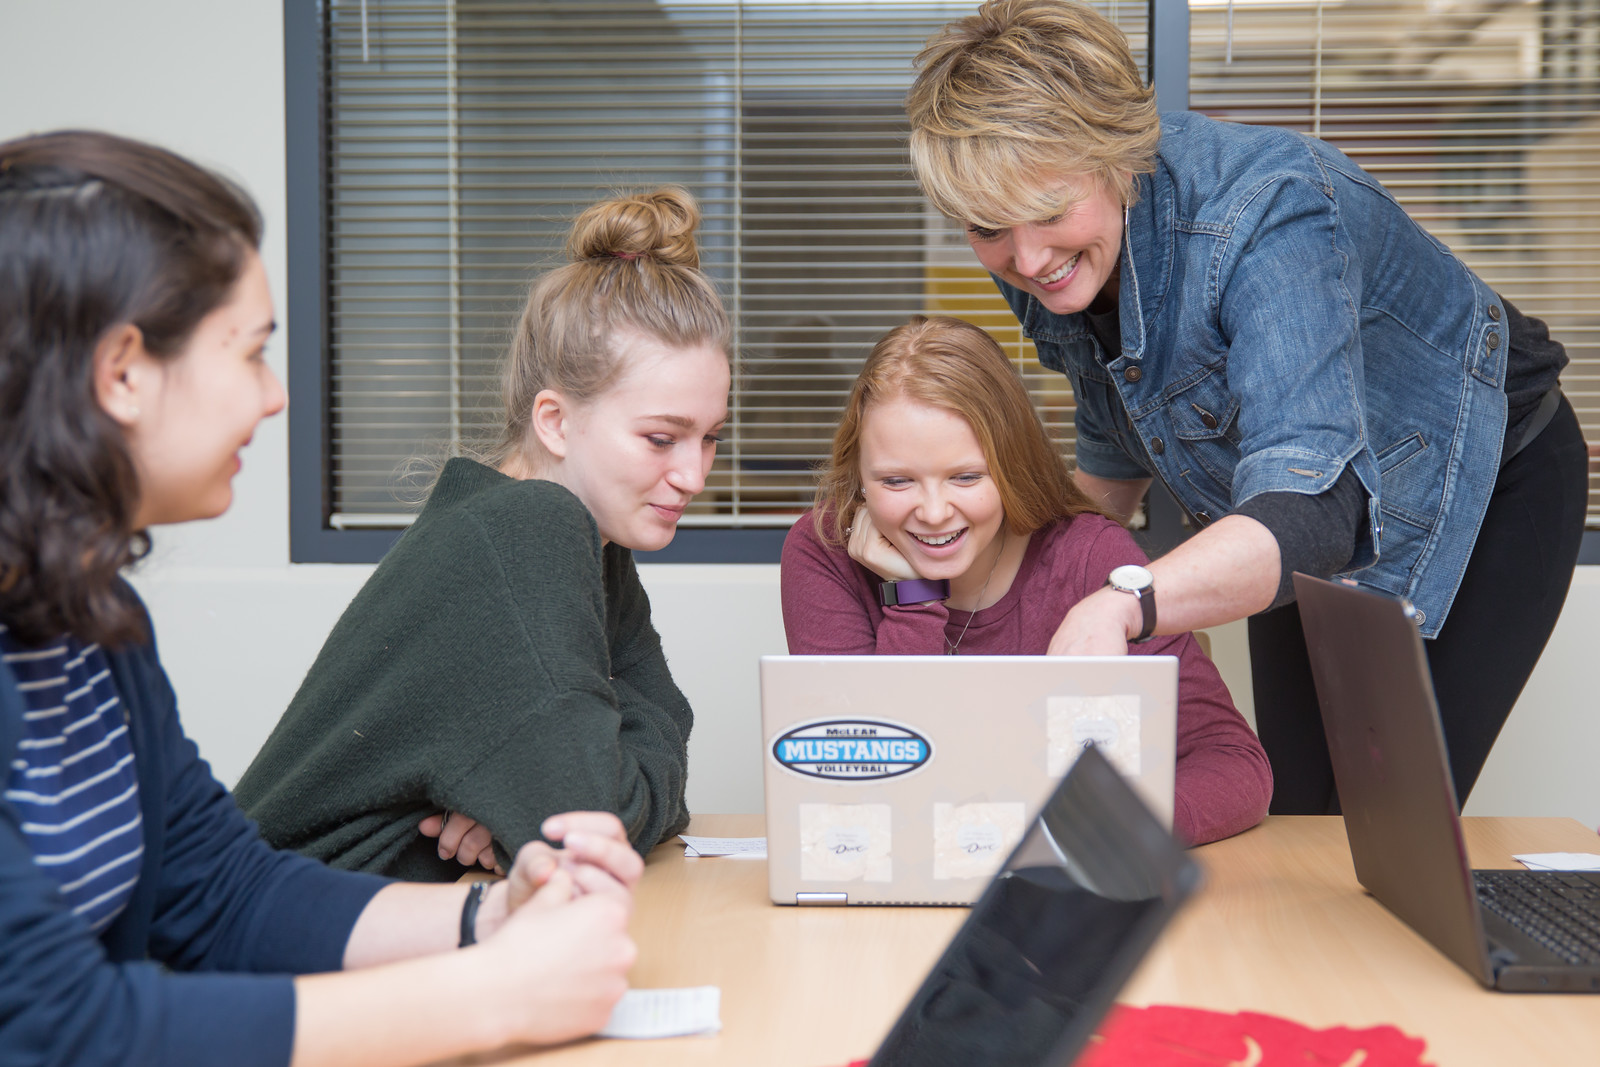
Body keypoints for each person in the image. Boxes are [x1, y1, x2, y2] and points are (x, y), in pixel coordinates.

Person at [0, 130, 643, 1067]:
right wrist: (491, 996)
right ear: (124, 371)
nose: (274, 397)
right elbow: (55, 1029)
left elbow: (222, 891)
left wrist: (488, 917)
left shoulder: (94, 626)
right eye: (251, 353)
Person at [903, 0, 1587, 814]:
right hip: (1288, 511)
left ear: (1117, 158)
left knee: (1388, 822)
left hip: (1481, 477)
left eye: (1051, 211)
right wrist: (1005, 571)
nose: (1026, 257)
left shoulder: (1266, 212)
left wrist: (1125, 603)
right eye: (989, 227)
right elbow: (1113, 427)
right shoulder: (1040, 258)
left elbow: (1314, 510)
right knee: (1297, 809)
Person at [234, 186, 728, 880]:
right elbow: (595, 821)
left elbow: (641, 782)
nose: (693, 475)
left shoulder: (586, 539)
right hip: (299, 927)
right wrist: (546, 803)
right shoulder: (528, 527)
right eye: (661, 438)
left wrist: (515, 807)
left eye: (709, 438)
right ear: (554, 421)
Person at [781, 316, 1271, 846]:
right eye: (897, 481)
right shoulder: (824, 550)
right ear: (859, 478)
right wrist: (913, 599)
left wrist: (1101, 832)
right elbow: (863, 785)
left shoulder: (1089, 557)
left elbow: (1232, 762)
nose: (934, 512)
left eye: (966, 477)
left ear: (1010, 464)